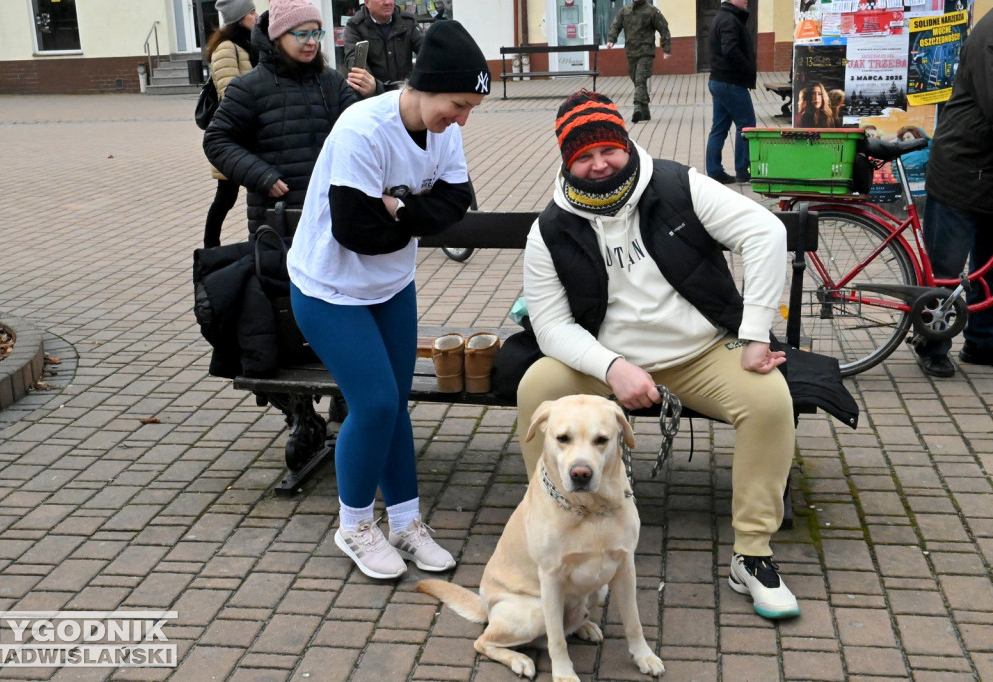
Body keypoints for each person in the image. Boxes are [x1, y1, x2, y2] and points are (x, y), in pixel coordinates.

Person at [511, 90, 801, 620]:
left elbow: (766, 231)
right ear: (565, 160)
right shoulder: (550, 228)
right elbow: (551, 326)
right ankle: (553, 531)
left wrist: (758, 331)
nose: (599, 165)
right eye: (583, 156)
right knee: (537, 387)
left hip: (700, 350)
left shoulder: (676, 185)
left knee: (768, 401)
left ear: (624, 142)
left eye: (608, 150)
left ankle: (752, 554)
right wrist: (612, 367)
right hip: (603, 359)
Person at [286, 20, 490, 580]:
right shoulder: (363, 128)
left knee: (394, 404)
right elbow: (354, 230)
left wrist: (399, 211)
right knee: (374, 404)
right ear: (424, 86)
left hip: (391, 286)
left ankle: (404, 521)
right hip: (329, 288)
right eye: (458, 104)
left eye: (471, 107)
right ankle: (354, 525)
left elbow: (456, 202)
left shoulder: (445, 131)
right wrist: (415, 220)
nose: (462, 119)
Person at [203, 0, 376, 237]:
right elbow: (216, 140)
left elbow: (360, 129)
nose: (313, 42)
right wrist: (260, 175)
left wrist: (374, 93)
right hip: (279, 220)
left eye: (316, 33)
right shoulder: (249, 87)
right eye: (302, 34)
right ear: (278, 36)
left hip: (330, 213)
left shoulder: (331, 81)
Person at [913, 9, 993, 378]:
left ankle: (981, 342)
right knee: (944, 269)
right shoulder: (989, 35)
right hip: (960, 169)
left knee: (988, 269)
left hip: (988, 172)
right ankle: (933, 345)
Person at [202, 0, 259, 248]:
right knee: (225, 196)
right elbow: (228, 93)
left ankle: (258, 240)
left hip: (253, 132)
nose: (257, 16)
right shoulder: (226, 48)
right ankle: (210, 247)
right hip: (233, 136)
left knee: (255, 192)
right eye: (252, 12)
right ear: (239, 18)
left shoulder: (251, 44)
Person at [705, 0, 757, 185]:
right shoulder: (729, 20)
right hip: (731, 83)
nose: (747, 1)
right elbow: (730, 50)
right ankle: (744, 170)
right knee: (747, 125)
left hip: (720, 81)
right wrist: (747, 69)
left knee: (719, 128)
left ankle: (714, 171)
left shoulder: (724, 17)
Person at [606, 0, 671, 123]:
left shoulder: (651, 11)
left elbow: (664, 28)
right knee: (636, 81)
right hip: (631, 52)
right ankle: (645, 111)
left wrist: (666, 48)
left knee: (640, 79)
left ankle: (637, 108)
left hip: (646, 52)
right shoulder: (625, 11)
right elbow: (616, 25)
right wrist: (611, 39)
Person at [342, 0, 424, 92]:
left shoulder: (407, 21)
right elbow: (355, 62)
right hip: (373, 96)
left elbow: (426, 50)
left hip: (406, 92)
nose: (388, 2)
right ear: (367, 2)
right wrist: (375, 88)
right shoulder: (355, 26)